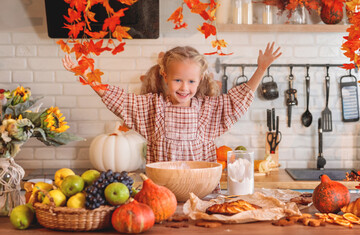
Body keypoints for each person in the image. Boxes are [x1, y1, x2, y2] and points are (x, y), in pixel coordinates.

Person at [62, 43, 281, 165]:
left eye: (191, 81)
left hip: (201, 191)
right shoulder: (153, 107)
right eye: (178, 80)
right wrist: (83, 74)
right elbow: (118, 99)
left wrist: (261, 69)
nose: (184, 88)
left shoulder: (208, 109)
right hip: (163, 192)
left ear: (200, 80)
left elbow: (237, 100)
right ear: (165, 77)